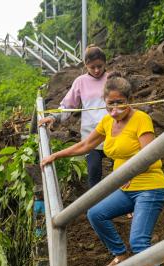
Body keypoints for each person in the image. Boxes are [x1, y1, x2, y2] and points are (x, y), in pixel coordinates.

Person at [41, 75, 164, 266]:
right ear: (105, 102)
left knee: (139, 241)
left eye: (120, 102)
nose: (115, 108)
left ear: (131, 99)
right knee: (95, 213)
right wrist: (55, 156)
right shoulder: (107, 122)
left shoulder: (141, 119)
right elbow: (85, 145)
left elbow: (151, 156)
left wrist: (130, 171)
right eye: (111, 103)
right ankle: (120, 254)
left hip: (150, 188)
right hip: (126, 188)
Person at [39, 45, 110, 188]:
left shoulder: (112, 79)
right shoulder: (80, 82)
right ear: (85, 65)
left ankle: (125, 206)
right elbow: (68, 105)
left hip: (114, 132)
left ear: (105, 63)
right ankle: (93, 206)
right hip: (91, 135)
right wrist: (54, 117)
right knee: (94, 171)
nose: (96, 70)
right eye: (92, 67)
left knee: (122, 171)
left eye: (99, 66)